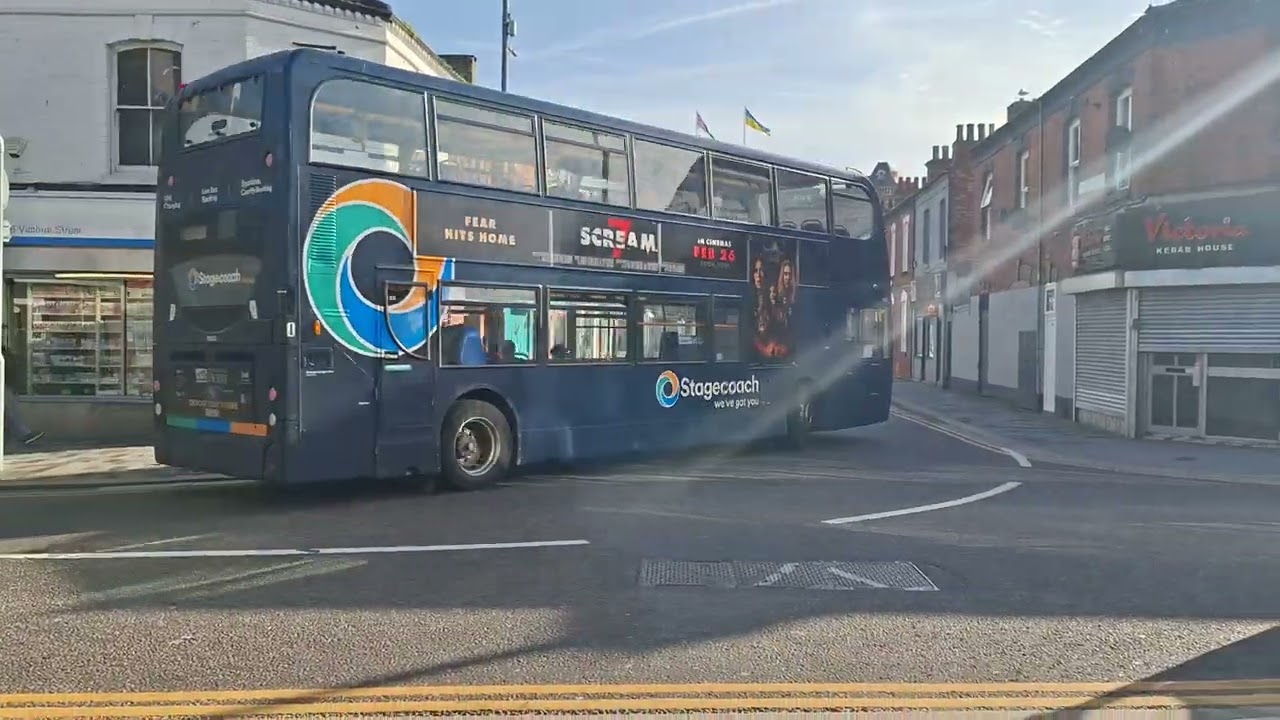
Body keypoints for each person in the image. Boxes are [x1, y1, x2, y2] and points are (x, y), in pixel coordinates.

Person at [1, 345, 42, 446]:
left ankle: (22, 433)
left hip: (6, 385)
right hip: (6, 386)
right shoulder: (7, 356)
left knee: (10, 410)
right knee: (10, 410)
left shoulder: (6, 356)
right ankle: (22, 434)